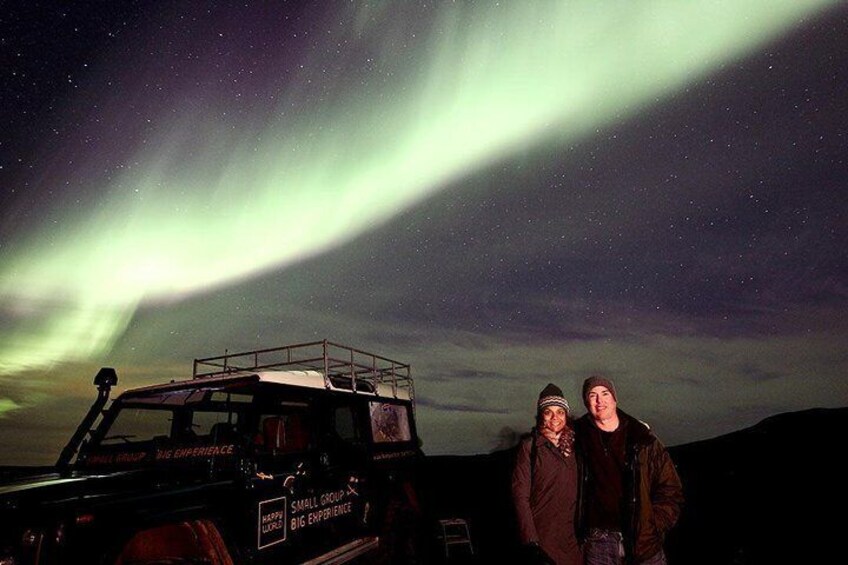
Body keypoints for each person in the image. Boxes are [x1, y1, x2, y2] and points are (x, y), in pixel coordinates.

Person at [575, 376, 684, 565]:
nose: (600, 401)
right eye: (592, 395)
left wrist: (653, 523)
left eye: (605, 393)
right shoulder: (577, 437)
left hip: (643, 540)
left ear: (615, 399)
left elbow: (671, 489)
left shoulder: (643, 439)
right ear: (586, 402)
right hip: (598, 542)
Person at [511, 383, 582, 565]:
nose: (555, 417)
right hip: (543, 536)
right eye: (548, 411)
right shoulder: (531, 447)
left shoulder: (577, 447)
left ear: (566, 414)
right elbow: (520, 495)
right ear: (541, 415)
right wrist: (531, 540)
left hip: (572, 537)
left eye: (560, 411)